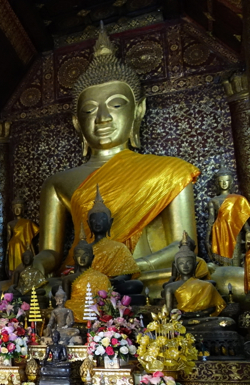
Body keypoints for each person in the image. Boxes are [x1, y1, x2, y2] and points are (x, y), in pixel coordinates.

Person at [34, 25, 199, 277]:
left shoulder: (170, 171)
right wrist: (36, 267)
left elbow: (185, 246)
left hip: (148, 275)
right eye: (89, 110)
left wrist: (135, 266)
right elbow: (51, 252)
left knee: (227, 281)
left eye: (116, 105)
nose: (102, 118)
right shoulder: (58, 183)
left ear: (138, 110)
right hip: (81, 278)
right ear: (77, 122)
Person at [6, 195, 39, 275]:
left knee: (25, 261)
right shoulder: (10, 224)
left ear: (23, 209)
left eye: (19, 208)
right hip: (12, 246)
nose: (17, 210)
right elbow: (8, 237)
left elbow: (29, 236)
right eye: (14, 208)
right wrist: (7, 247)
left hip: (23, 245)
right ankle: (13, 276)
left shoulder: (27, 223)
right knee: (13, 266)